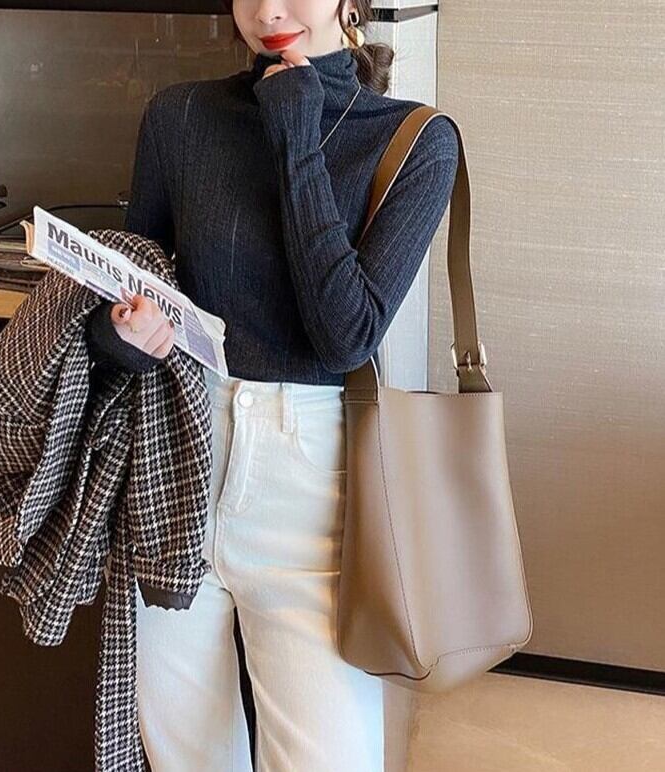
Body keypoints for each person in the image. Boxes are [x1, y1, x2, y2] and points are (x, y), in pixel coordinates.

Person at [85, 1, 459, 769]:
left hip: (313, 490)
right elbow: (136, 285)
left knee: (324, 755)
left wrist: (295, 133)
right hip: (176, 458)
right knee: (184, 752)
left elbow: (344, 336)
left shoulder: (416, 140)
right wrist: (123, 334)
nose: (269, 10)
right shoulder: (180, 117)